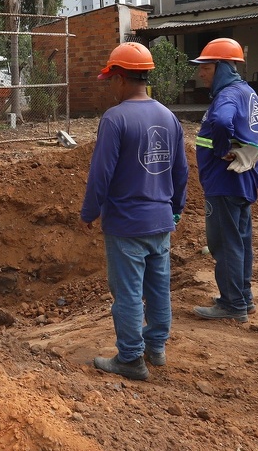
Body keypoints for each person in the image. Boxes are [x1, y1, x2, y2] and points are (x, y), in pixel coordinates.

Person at [81, 42, 188, 381]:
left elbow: (101, 174)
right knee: (158, 287)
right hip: (160, 221)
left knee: (127, 293)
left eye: (111, 78)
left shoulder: (115, 118)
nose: (110, 86)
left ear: (121, 78)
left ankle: (130, 358)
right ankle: (156, 348)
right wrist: (176, 210)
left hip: (126, 223)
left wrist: (89, 212)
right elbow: (181, 172)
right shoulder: (168, 117)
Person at [190, 38, 258, 323]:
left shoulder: (226, 96)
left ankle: (232, 304)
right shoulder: (248, 92)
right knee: (241, 240)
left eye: (206, 67)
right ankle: (244, 297)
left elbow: (224, 123)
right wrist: (252, 149)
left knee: (224, 243)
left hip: (223, 182)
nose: (201, 73)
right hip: (243, 180)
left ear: (222, 67)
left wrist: (225, 149)